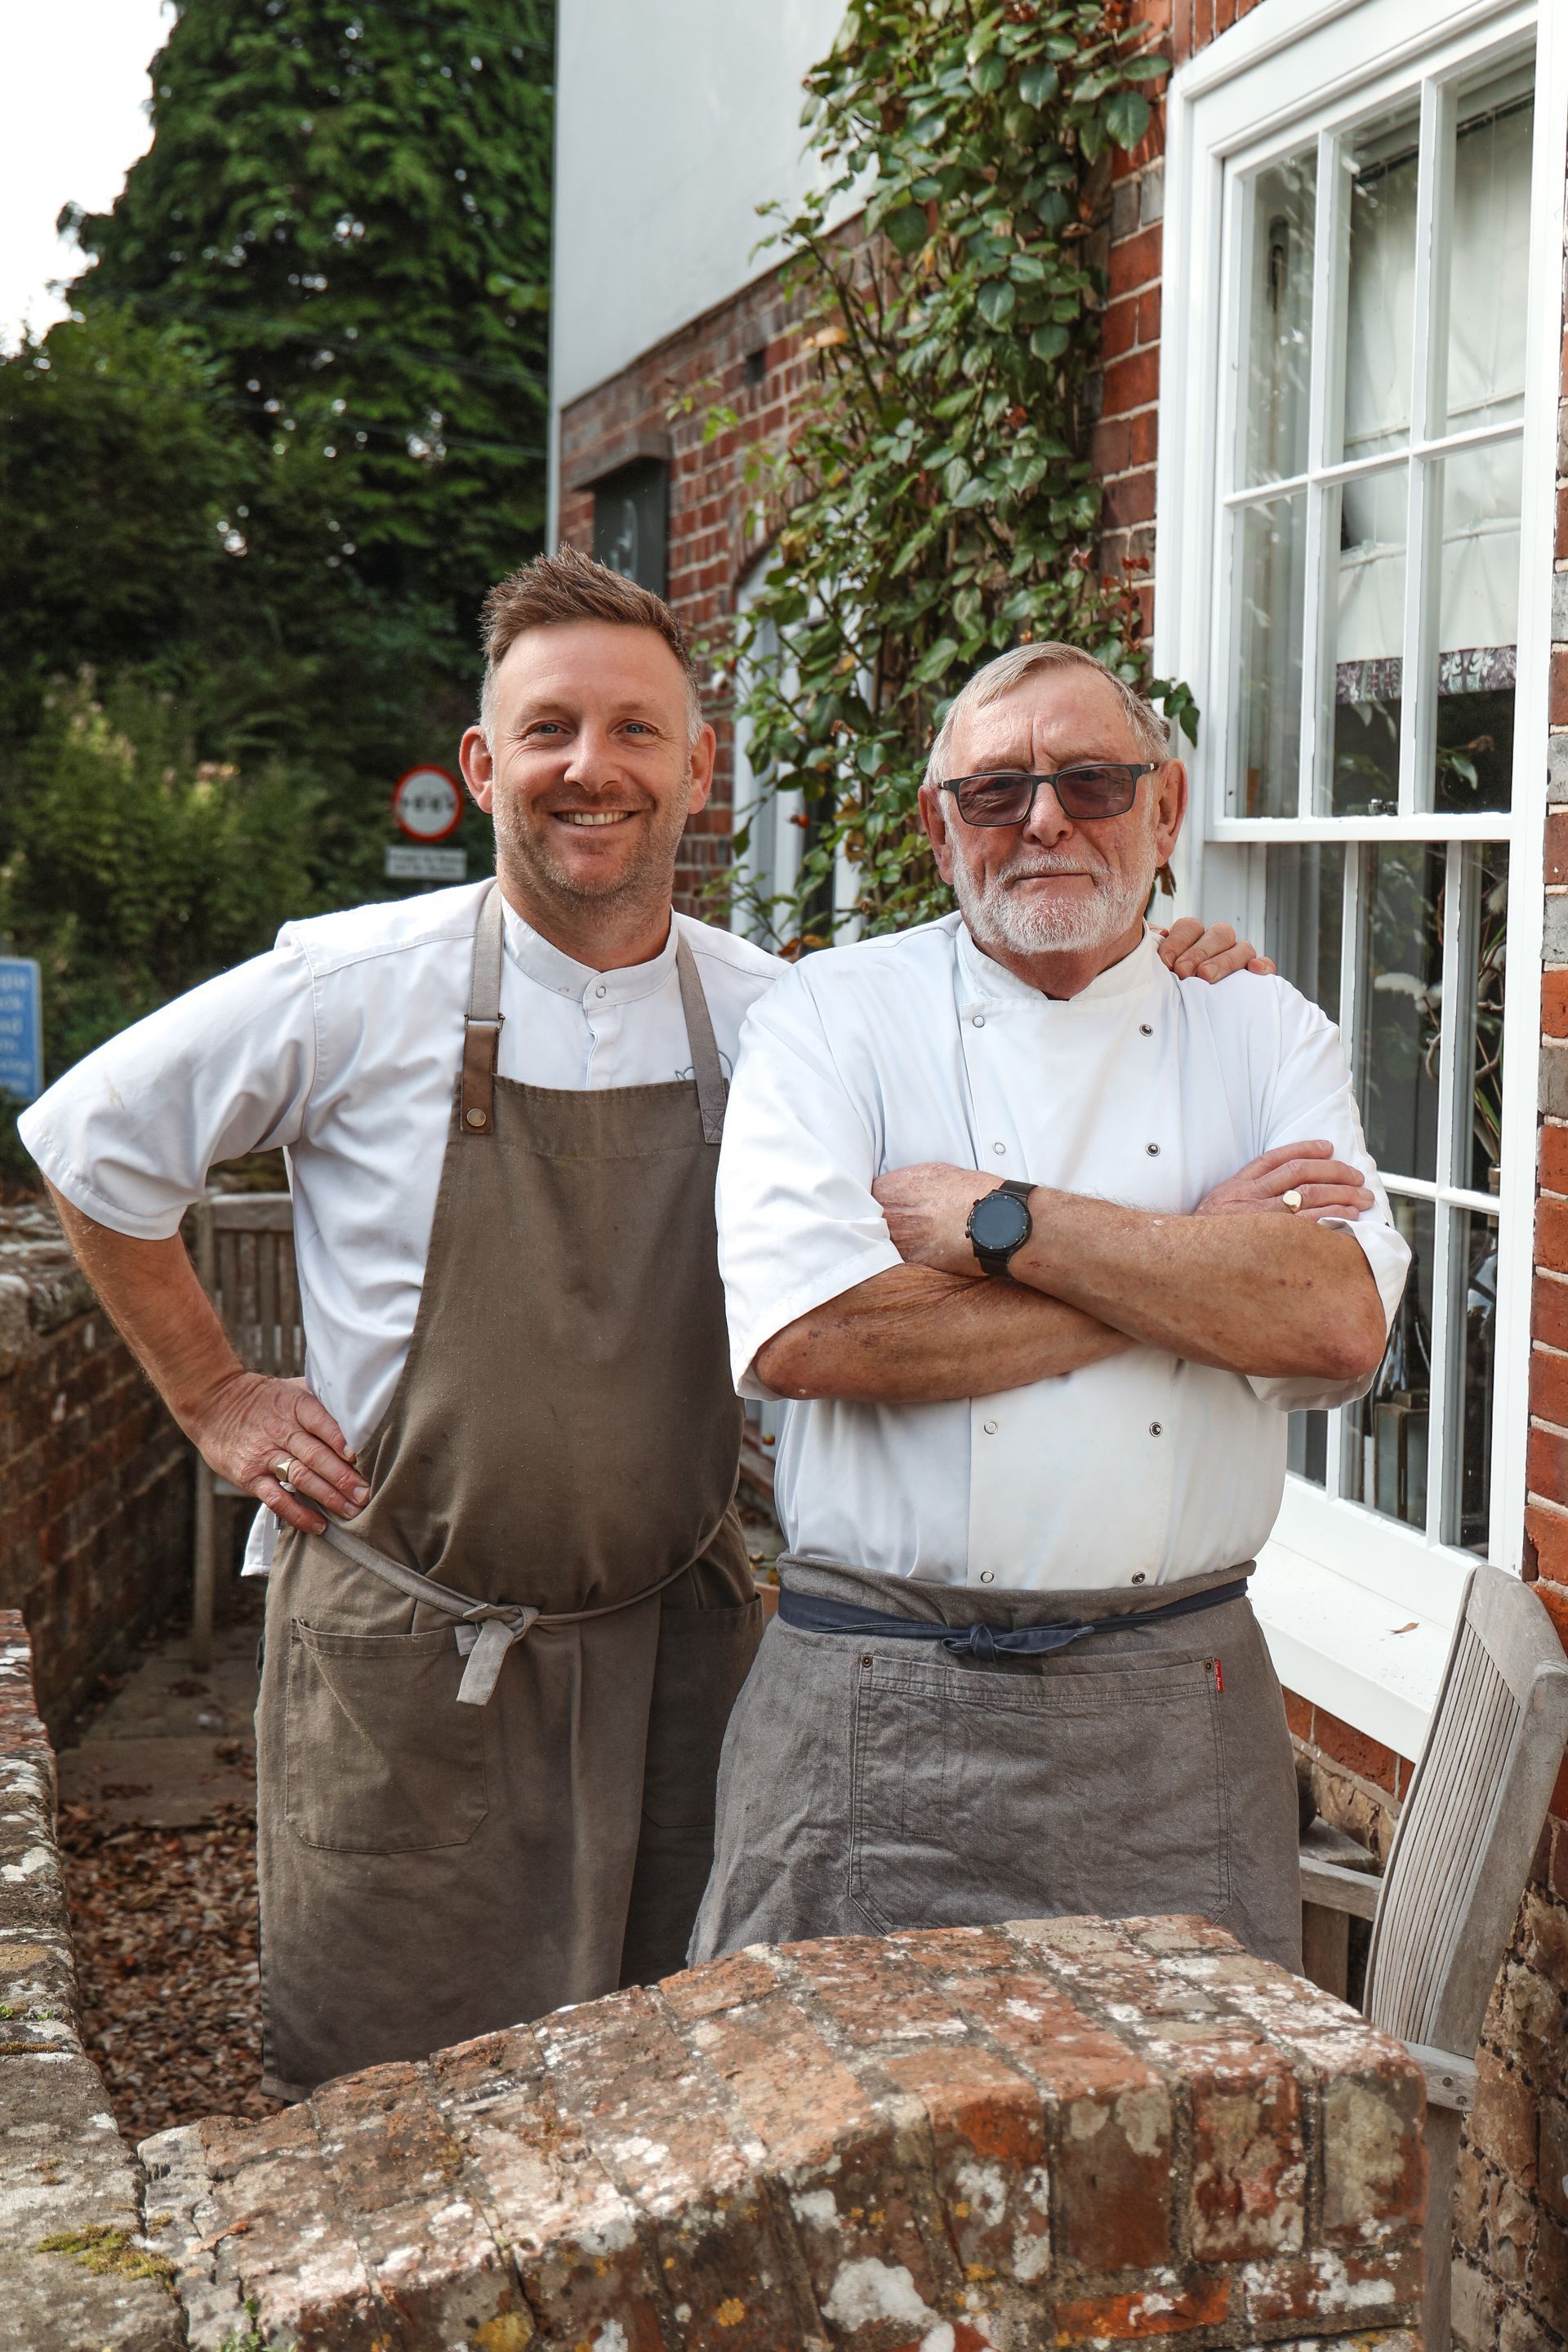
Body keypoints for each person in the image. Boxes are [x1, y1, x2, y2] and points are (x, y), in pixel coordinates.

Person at [20, 556, 1273, 2094]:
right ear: (487, 767)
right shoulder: (350, 987)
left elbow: (1006, 1037)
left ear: (697, 768)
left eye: (635, 730)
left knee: (678, 2090)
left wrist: (1179, 958)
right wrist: (216, 1397)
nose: (590, 769)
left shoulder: (778, 1015)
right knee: (390, 2110)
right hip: (415, 1652)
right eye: (549, 731)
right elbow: (91, 1145)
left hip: (689, 1649)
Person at [693, 639, 1410, 1974]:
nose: (1046, 821)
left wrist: (998, 1227)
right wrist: (1199, 1262)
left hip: (1175, 1715)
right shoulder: (829, 1018)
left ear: (1165, 807)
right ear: (936, 825)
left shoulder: (1263, 1031)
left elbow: (1333, 1324)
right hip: (871, 1703)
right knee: (826, 2134)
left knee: (1192, 2147)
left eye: (1092, 780)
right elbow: (816, 1335)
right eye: (996, 792)